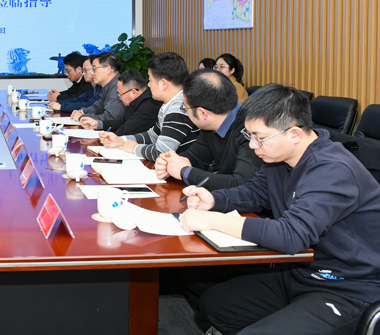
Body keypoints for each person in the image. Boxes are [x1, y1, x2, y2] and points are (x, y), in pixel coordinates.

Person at [179, 84, 380, 335]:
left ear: (294, 134)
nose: (253, 146)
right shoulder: (279, 159)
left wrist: (212, 220)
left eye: (260, 137)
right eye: (249, 136)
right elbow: (254, 193)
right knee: (215, 304)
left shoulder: (333, 169)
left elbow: (292, 235)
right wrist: (213, 200)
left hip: (348, 288)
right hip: (301, 272)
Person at [153, 69, 263, 190]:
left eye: (185, 108)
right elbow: (196, 158)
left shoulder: (251, 130)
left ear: (202, 113)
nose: (185, 111)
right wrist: (169, 163)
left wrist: (185, 172)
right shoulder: (211, 125)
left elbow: (240, 184)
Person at [99, 52, 199, 160]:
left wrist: (135, 148)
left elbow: (161, 152)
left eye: (150, 80)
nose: (148, 85)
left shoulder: (179, 107)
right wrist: (121, 140)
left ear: (163, 84)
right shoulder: (168, 104)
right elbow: (152, 136)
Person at [81, 69, 161, 136]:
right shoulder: (136, 101)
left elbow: (124, 131)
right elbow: (124, 122)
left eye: (120, 94)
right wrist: (98, 124)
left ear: (133, 93)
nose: (119, 98)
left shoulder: (149, 105)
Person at [73, 52, 125, 130]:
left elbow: (110, 118)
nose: (92, 73)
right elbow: (98, 107)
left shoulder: (118, 87)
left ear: (108, 69)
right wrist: (83, 111)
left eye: (94, 69)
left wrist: (82, 117)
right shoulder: (108, 86)